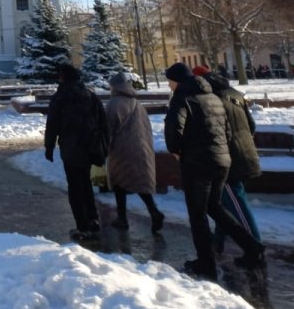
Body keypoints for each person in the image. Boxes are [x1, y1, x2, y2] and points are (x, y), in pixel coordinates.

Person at [164, 62, 265, 280]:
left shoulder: (182, 99)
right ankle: (252, 246)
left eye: (170, 81)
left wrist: (177, 150)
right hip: (222, 161)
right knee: (215, 207)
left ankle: (206, 263)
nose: (169, 86)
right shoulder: (212, 97)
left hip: (196, 164)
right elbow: (227, 131)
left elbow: (173, 132)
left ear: (177, 81)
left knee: (198, 214)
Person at [192, 65, 263, 247]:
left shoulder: (211, 99)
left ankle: (255, 245)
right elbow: (251, 125)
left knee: (236, 202)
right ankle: (219, 239)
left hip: (229, 158)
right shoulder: (235, 93)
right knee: (222, 202)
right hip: (245, 152)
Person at [44, 63, 110, 241]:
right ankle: (93, 219)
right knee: (86, 183)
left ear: (63, 77)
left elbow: (53, 125)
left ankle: (82, 226)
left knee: (75, 187)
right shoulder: (90, 95)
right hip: (89, 148)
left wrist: (49, 147)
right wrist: (104, 143)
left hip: (71, 149)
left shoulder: (60, 97)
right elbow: (102, 121)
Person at [105, 72, 165, 234]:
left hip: (121, 150)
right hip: (141, 148)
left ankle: (123, 218)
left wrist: (103, 147)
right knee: (139, 182)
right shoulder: (137, 104)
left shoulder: (114, 104)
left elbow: (108, 129)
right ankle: (153, 211)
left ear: (115, 87)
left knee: (119, 183)